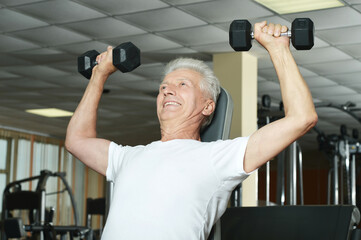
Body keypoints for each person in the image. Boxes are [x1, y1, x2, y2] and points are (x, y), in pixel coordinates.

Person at [65, 21, 318, 240]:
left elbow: (301, 118)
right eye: (163, 87)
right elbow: (76, 140)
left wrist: (278, 49)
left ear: (208, 106)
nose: (167, 90)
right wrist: (98, 76)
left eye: (182, 84)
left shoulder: (217, 158)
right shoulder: (127, 157)